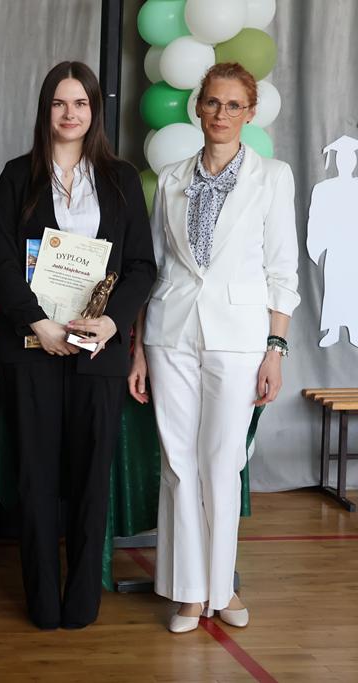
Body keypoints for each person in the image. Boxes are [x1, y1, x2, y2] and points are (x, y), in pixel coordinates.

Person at [128, 62, 299, 633]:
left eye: (233, 105)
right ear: (197, 107)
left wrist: (275, 347)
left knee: (222, 464)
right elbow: (153, 267)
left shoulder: (273, 177)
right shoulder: (171, 178)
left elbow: (282, 270)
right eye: (212, 103)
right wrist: (138, 349)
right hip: (169, 333)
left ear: (250, 113)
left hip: (240, 338)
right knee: (178, 464)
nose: (221, 114)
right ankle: (188, 593)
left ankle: (221, 589)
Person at [0, 62, 156, 630]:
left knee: (90, 481)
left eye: (80, 103)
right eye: (59, 103)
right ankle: (40, 601)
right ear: (46, 109)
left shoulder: (120, 178)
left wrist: (111, 323)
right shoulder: (17, 175)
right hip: (33, 346)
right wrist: (38, 323)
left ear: (94, 111)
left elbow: (141, 265)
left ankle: (82, 601)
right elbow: (0, 261)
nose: (70, 113)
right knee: (35, 478)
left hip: (98, 351)